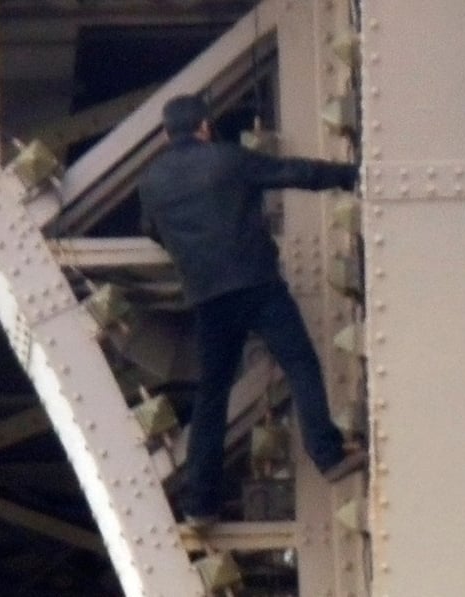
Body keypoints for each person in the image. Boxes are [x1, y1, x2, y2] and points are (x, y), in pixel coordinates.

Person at [137, 94, 367, 527]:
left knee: (212, 396)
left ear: (167, 135)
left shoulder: (151, 184)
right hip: (258, 285)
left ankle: (201, 502)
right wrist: (349, 174)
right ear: (205, 127)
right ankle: (329, 454)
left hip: (207, 298)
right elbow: (292, 172)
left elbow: (152, 230)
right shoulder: (228, 159)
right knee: (299, 363)